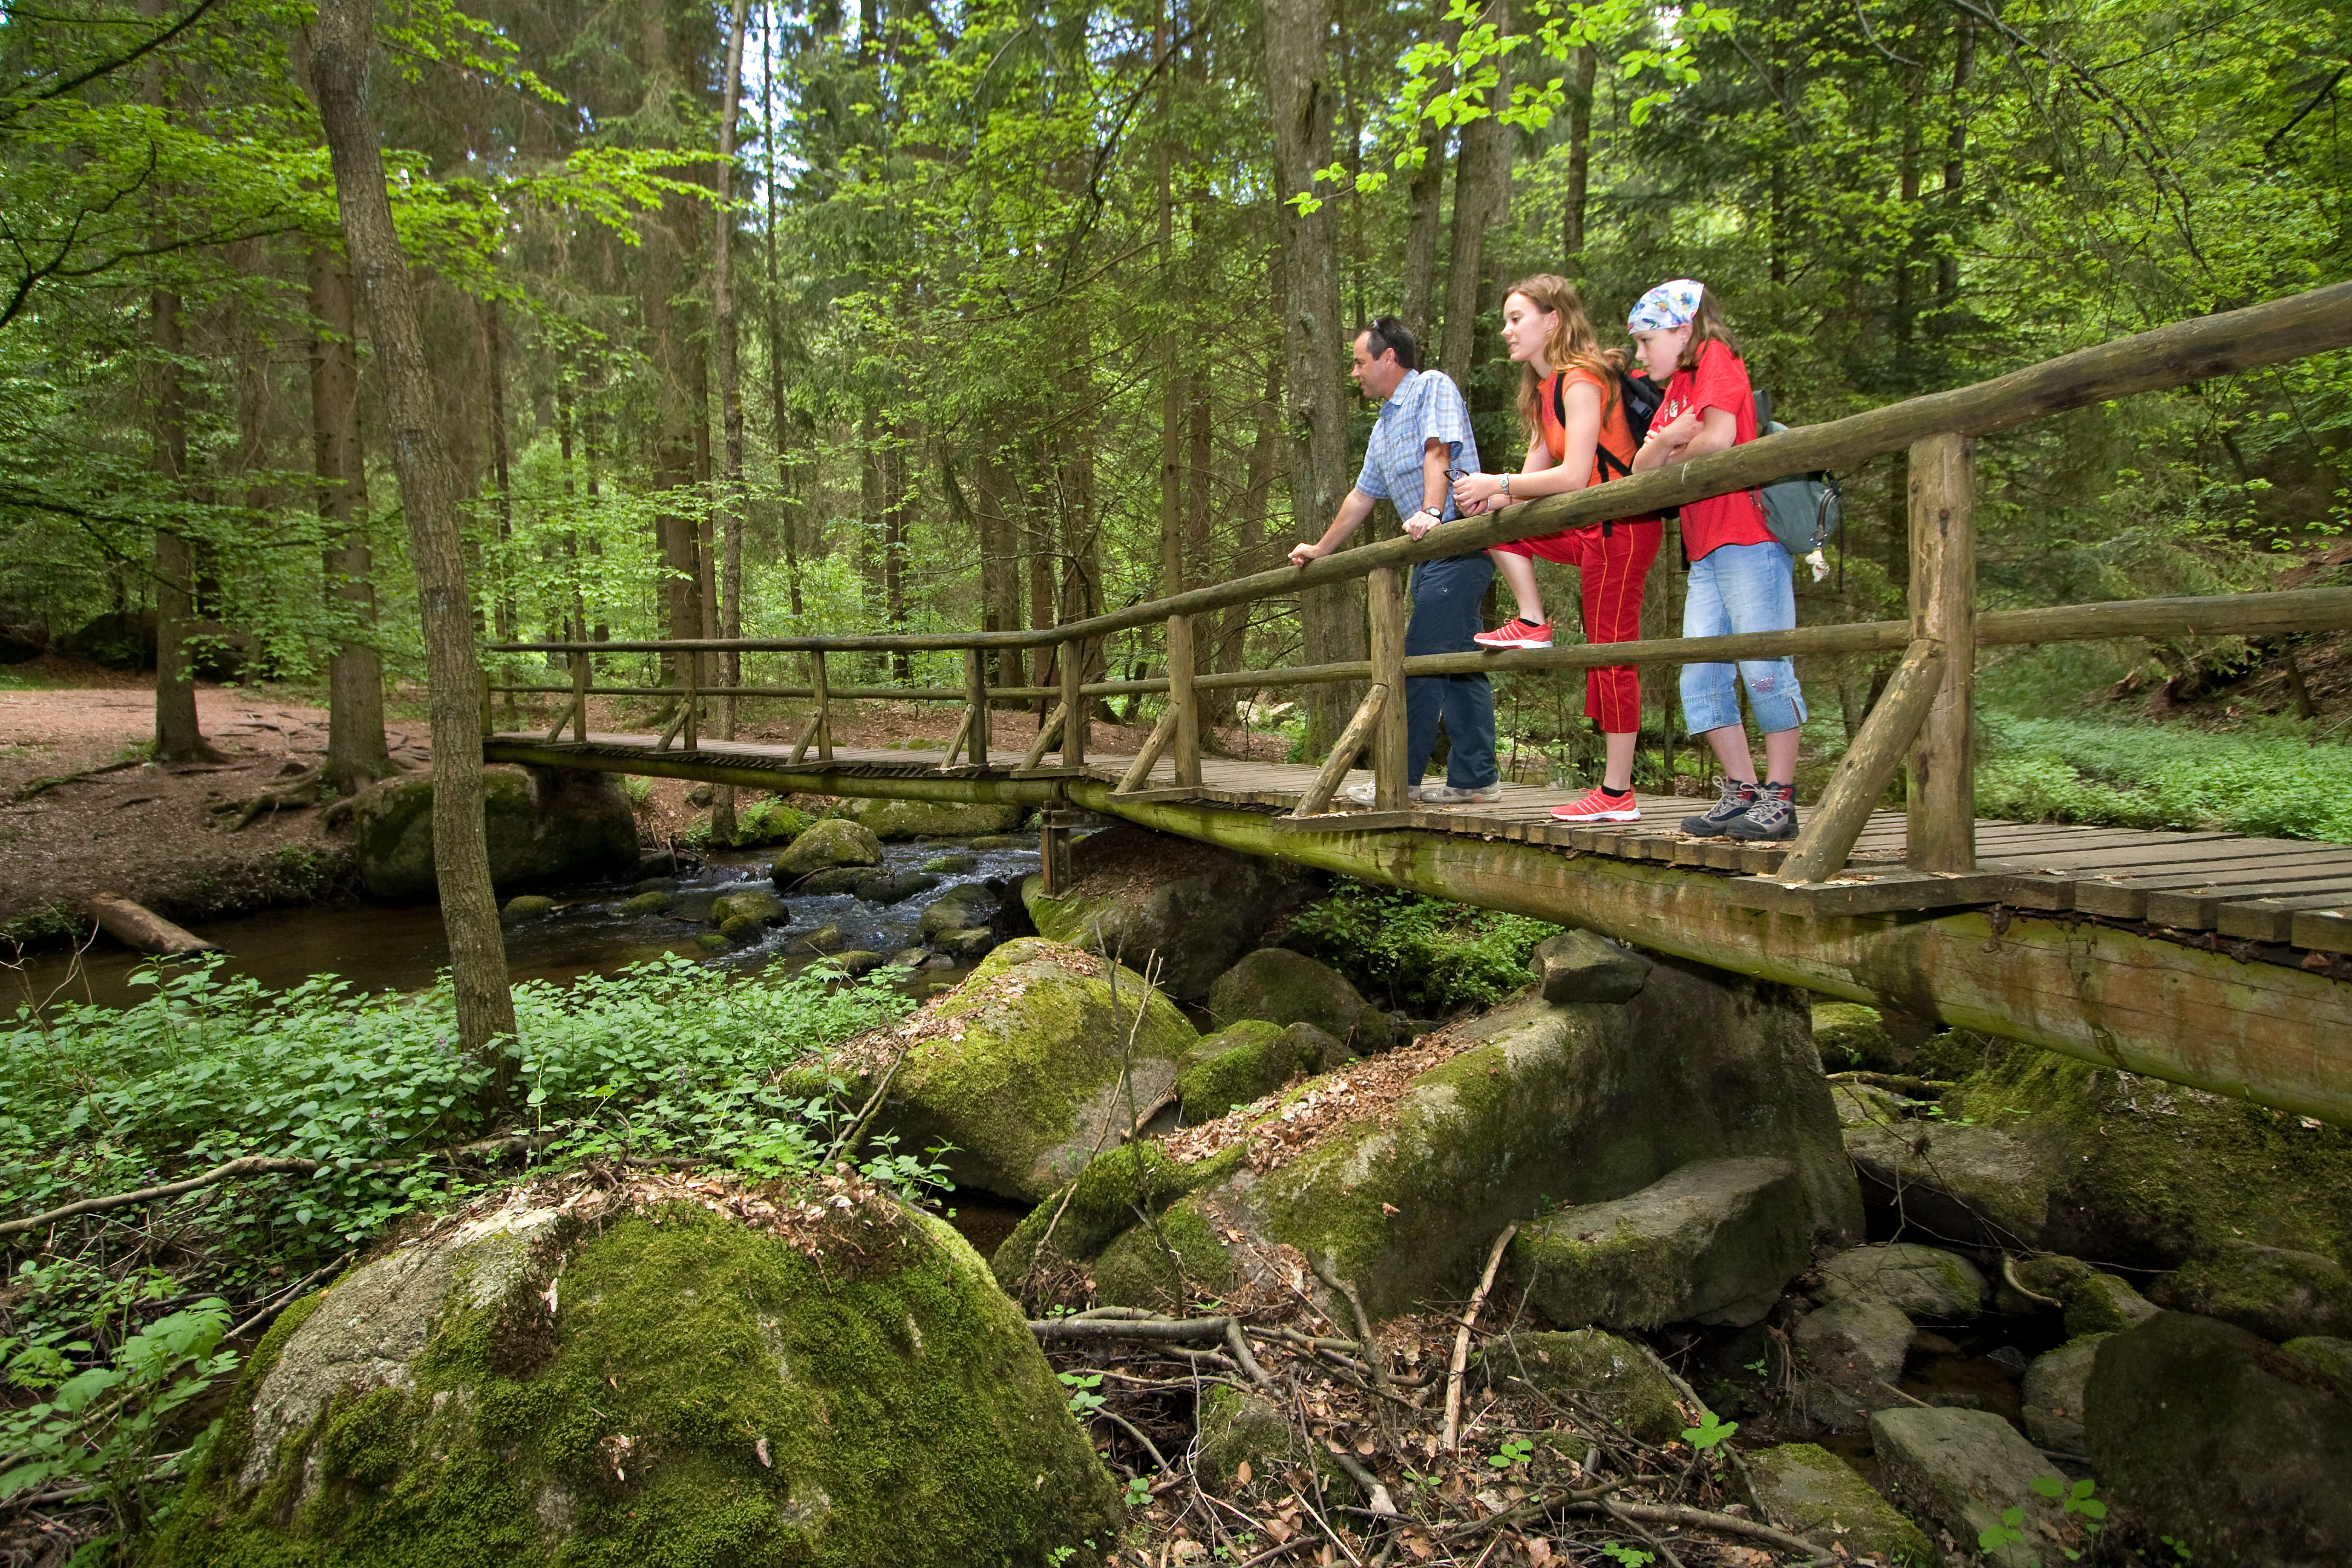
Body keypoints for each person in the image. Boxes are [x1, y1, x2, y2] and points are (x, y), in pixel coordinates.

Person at [1449, 275, 1661, 823]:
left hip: (1623, 528)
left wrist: (1495, 484)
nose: (1506, 331)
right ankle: (1532, 620)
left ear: (1553, 320)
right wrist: (1490, 497)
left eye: (1517, 318)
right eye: (1505, 320)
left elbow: (1571, 477)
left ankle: (1617, 795)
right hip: (1588, 528)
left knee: (1612, 653)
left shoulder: (1581, 379)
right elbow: (1527, 481)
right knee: (1498, 521)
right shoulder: (1544, 392)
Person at [1287, 316, 1498, 805]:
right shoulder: (1383, 426)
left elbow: (1438, 450)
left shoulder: (1431, 387)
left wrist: (1429, 509)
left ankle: (1398, 781)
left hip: (1459, 542)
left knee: (1419, 661)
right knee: (1460, 661)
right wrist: (1320, 549)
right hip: (1429, 556)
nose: (1355, 372)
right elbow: (1362, 496)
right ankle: (1477, 779)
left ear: (1388, 357)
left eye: (1360, 362)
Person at [1626, 278, 1808, 842]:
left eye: (1645, 339)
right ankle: (1741, 789)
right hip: (1704, 548)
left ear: (1682, 331)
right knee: (1700, 678)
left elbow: (1722, 437)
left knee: (1763, 669)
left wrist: (1675, 444)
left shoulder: (1719, 362)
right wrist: (1670, 441)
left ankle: (1780, 797)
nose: (1638, 353)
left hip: (1749, 538)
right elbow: (1640, 468)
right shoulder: (1679, 384)